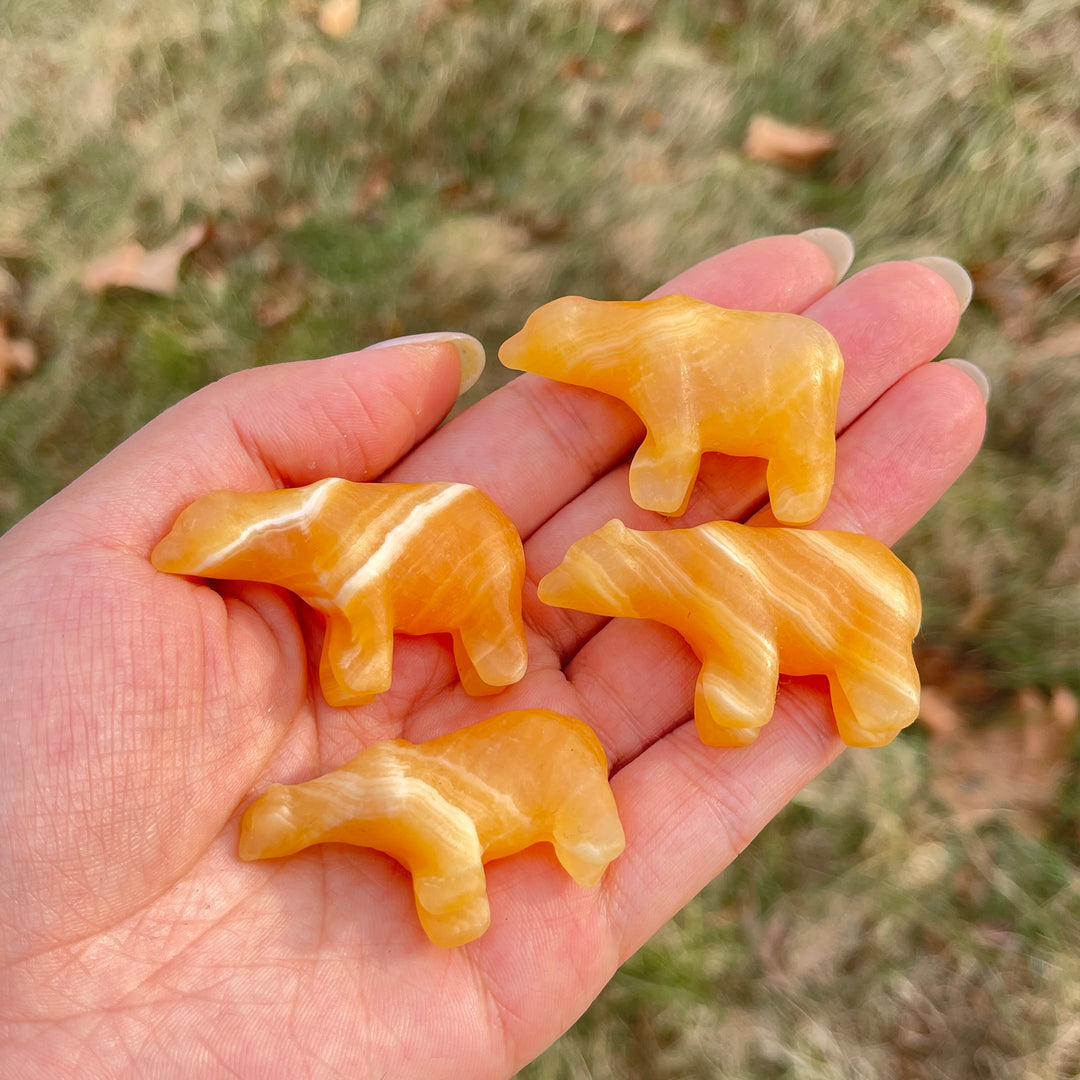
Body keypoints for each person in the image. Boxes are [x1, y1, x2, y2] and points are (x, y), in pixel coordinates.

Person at [0, 231, 986, 1078]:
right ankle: (517, 689)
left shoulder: (709, 563)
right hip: (470, 662)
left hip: (805, 591)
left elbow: (737, 632)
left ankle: (802, 578)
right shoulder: (368, 691)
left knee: (745, 599)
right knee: (488, 670)